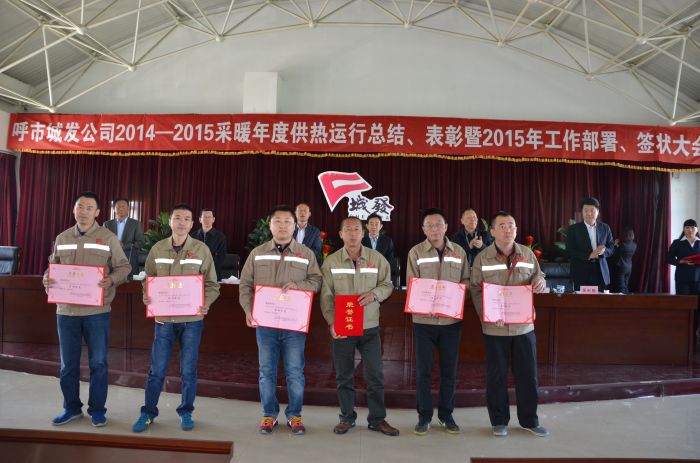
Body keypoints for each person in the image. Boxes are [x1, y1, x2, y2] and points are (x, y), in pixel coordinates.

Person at [43, 191, 131, 427]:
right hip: (66, 312)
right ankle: (71, 408)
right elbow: (53, 267)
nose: (83, 211)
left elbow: (124, 267)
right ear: (74, 210)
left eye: (89, 208)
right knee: (68, 365)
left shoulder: (108, 238)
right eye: (80, 207)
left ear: (98, 212)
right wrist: (47, 279)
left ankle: (97, 410)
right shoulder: (62, 238)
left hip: (97, 312)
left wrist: (111, 280)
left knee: (98, 363)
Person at [132, 203, 220, 433]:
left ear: (192, 224)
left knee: (188, 371)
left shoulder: (201, 250)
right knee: (157, 370)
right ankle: (148, 413)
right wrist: (147, 294)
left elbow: (212, 284)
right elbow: (148, 279)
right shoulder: (157, 249)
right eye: (177, 218)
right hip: (164, 320)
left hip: (192, 321)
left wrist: (207, 302)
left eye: (186, 219)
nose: (182, 222)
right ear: (170, 222)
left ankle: (186, 412)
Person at [239, 205, 322, 435]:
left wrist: (298, 286)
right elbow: (245, 285)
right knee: (266, 371)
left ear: (295, 226)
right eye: (278, 221)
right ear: (270, 225)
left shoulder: (305, 254)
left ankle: (295, 415)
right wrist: (248, 309)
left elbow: (317, 281)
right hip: (265, 324)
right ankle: (269, 414)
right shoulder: (257, 253)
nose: (283, 226)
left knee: (295, 371)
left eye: (287, 221)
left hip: (293, 325)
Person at [470, 211, 549, 438]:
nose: (508, 229)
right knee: (497, 376)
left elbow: (539, 275)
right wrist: (487, 314)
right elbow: (475, 288)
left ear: (516, 229)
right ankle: (499, 421)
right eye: (502, 225)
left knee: (528, 375)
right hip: (495, 326)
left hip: (523, 326)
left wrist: (540, 280)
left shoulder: (527, 254)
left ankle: (529, 420)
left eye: (511, 225)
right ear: (493, 231)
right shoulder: (482, 257)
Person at [321, 216, 399, 437]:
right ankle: (347, 417)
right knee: (344, 376)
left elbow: (388, 284)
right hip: (343, 327)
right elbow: (326, 297)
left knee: (375, 375)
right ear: (341, 234)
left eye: (357, 229)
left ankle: (377, 419)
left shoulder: (377, 259)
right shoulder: (331, 262)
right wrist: (331, 322)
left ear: (363, 233)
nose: (353, 233)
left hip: (369, 326)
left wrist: (375, 294)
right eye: (348, 229)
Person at [406, 208, 469, 435]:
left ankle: (446, 415)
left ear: (446, 227)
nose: (434, 229)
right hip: (424, 322)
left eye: (438, 224)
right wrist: (427, 305)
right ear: (423, 229)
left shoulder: (459, 252)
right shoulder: (415, 252)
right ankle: (424, 417)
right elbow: (412, 283)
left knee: (449, 372)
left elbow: (466, 281)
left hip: (451, 322)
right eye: (429, 225)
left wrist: (453, 299)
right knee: (423, 372)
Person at [566, 197, 614, 291]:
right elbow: (569, 251)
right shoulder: (573, 229)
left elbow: (611, 247)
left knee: (599, 299)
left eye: (592, 210)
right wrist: (589, 255)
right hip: (581, 272)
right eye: (586, 210)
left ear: (598, 211)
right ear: (582, 212)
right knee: (582, 299)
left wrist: (604, 252)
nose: (589, 213)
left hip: (600, 271)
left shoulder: (605, 228)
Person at [667, 219, 700, 346]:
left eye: (692, 227)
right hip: (682, 280)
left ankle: (693, 339)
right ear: (684, 229)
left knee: (696, 309)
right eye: (687, 227)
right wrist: (680, 261)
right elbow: (668, 258)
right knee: (684, 308)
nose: (690, 230)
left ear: (697, 229)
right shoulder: (677, 243)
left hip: (698, 281)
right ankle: (682, 338)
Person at [103, 197, 144, 277]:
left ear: (128, 209)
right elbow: (103, 242)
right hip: (111, 261)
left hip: (130, 260)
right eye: (118, 207)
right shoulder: (107, 224)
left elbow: (140, 243)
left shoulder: (136, 224)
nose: (121, 209)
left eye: (123, 206)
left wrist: (123, 245)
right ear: (114, 209)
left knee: (130, 284)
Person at [361, 213, 399, 286]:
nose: (374, 227)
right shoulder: (361, 241)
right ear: (367, 226)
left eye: (376, 224)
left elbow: (390, 260)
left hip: (382, 274)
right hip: (365, 275)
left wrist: (381, 271)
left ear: (381, 226)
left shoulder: (387, 241)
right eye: (371, 224)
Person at [190, 208, 227, 281]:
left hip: (214, 273)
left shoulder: (220, 237)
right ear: (200, 219)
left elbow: (221, 257)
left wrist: (207, 267)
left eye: (209, 217)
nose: (207, 219)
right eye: (205, 217)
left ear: (213, 219)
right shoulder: (192, 236)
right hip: (195, 272)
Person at [611, 227, 637, 294]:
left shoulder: (622, 245)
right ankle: (628, 297)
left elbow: (614, 253)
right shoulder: (634, 245)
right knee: (626, 284)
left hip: (621, 267)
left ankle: (624, 298)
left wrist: (615, 244)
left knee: (621, 287)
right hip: (629, 267)